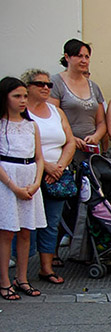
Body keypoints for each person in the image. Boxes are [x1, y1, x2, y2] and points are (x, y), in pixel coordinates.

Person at [24, 68, 75, 285]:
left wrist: (60, 167)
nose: (46, 88)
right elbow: (23, 145)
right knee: (25, 223)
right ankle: (20, 268)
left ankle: (46, 267)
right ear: (28, 87)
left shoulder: (56, 112)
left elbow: (70, 141)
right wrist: (47, 167)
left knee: (51, 222)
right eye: (40, 84)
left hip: (57, 175)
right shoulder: (22, 112)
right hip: (31, 173)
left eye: (49, 85)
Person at [0, 77, 46, 300]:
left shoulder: (31, 125)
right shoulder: (0, 124)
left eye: (25, 96)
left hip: (29, 179)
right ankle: (4, 280)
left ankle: (22, 277)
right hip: (8, 180)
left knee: (26, 231)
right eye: (16, 96)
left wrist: (37, 182)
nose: (22, 100)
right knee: (7, 232)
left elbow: (39, 157)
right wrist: (13, 186)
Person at [50, 39, 106, 162]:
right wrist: (71, 139)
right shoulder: (55, 83)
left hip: (90, 151)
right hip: (65, 148)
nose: (84, 60)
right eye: (79, 56)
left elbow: (101, 122)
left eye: (87, 57)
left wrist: (96, 137)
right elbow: (52, 118)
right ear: (67, 57)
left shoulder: (94, 86)